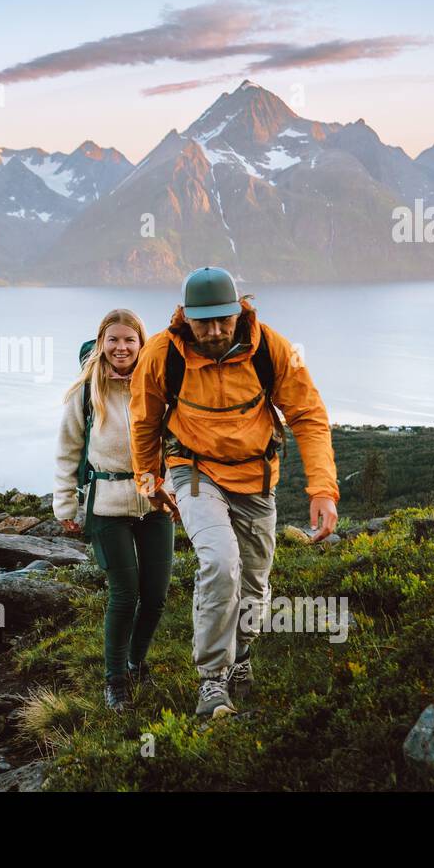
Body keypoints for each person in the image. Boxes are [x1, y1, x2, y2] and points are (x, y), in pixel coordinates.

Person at [129, 267, 339, 718]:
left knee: (254, 583)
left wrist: (323, 490)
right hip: (194, 470)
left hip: (257, 479)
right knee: (220, 561)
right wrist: (149, 480)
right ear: (186, 317)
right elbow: (144, 420)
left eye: (223, 319)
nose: (216, 330)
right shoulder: (162, 353)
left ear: (239, 310)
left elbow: (308, 416)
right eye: (204, 322)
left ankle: (240, 657)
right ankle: (212, 679)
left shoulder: (273, 349)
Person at [53, 309, 175, 712]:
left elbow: (175, 445)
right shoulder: (85, 392)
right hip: (106, 506)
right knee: (125, 595)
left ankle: (136, 662)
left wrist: (177, 492)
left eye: (129, 340)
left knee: (155, 597)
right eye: (113, 339)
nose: (121, 347)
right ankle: (115, 682)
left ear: (141, 344)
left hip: (155, 503)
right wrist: (65, 504)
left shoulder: (157, 386)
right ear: (101, 343)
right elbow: (68, 451)